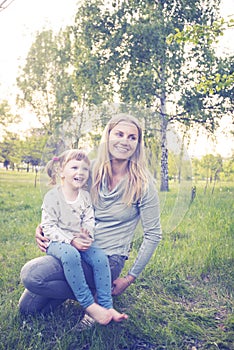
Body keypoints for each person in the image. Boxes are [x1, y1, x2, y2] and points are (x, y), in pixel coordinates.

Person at [19, 113, 162, 329]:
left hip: (108, 259)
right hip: (75, 250)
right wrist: (43, 227)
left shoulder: (143, 184)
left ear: (138, 144)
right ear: (108, 136)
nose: (125, 141)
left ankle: (95, 302)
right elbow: (64, 200)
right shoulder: (89, 169)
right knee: (29, 309)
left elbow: (153, 234)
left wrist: (129, 278)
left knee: (33, 275)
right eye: (119, 134)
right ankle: (93, 293)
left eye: (132, 137)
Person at [40, 149, 127, 325]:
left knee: (100, 257)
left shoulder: (85, 196)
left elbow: (89, 218)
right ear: (61, 172)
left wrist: (86, 233)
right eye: (74, 167)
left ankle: (105, 304)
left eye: (84, 169)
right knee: (71, 255)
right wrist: (71, 241)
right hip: (57, 242)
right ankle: (89, 304)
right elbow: (48, 227)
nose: (80, 172)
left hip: (79, 240)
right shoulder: (53, 197)